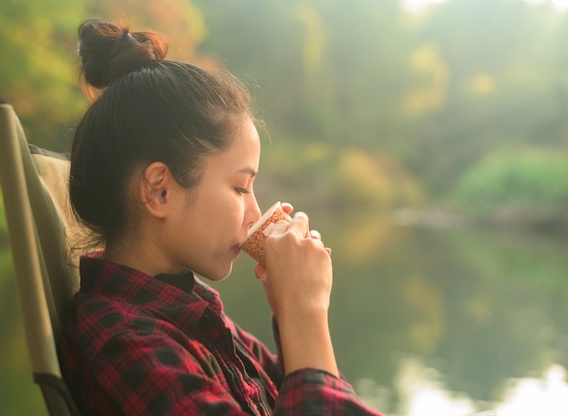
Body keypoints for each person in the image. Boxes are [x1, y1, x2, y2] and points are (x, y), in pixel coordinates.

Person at [59, 18, 384, 416]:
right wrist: (305, 313)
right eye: (240, 187)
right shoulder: (125, 343)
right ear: (160, 190)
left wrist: (291, 312)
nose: (253, 214)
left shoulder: (195, 316)